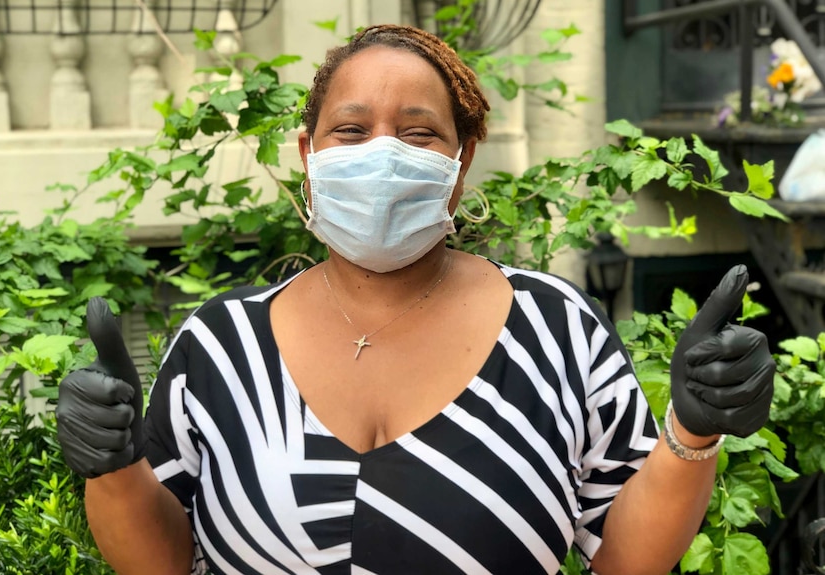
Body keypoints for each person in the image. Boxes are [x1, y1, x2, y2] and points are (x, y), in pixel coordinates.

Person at [56, 24, 775, 575]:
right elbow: (160, 561)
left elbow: (625, 558)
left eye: (418, 132)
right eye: (351, 128)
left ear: (459, 165)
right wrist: (114, 469)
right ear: (310, 156)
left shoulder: (558, 331)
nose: (382, 152)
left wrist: (692, 430)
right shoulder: (218, 344)